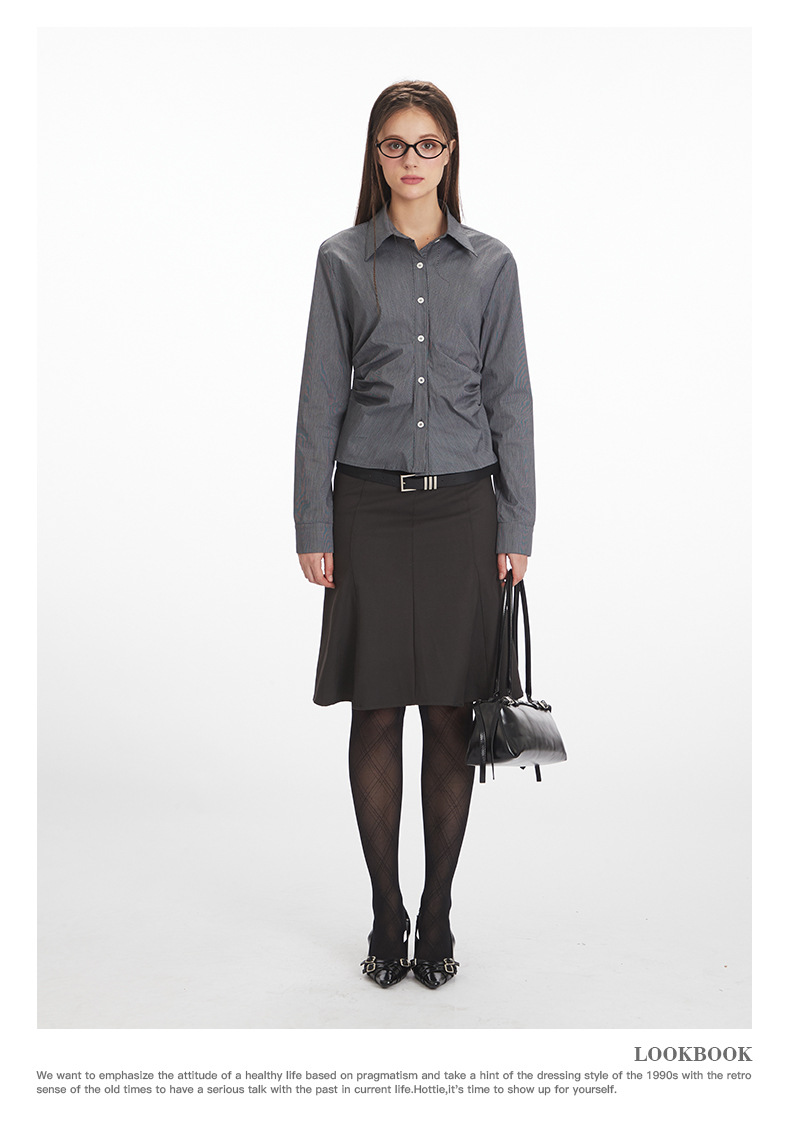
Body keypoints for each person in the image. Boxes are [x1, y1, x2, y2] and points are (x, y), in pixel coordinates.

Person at [293, 80, 535, 989]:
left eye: (426, 143)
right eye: (395, 144)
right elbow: (320, 397)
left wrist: (518, 520)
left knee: (450, 714)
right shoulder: (341, 260)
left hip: (464, 512)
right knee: (376, 709)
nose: (410, 159)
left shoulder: (492, 265)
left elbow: (512, 398)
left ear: (449, 153)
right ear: (376, 154)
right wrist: (312, 519)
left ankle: (436, 911)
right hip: (368, 509)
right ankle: (385, 909)